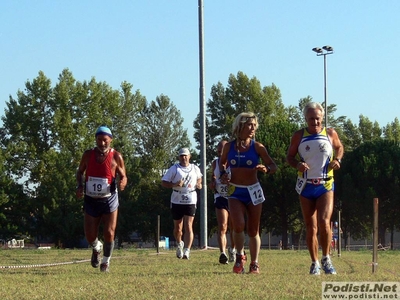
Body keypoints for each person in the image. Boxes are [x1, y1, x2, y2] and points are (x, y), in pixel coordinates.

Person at [286, 102, 344, 275]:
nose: (315, 122)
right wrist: (297, 164)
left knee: (325, 222)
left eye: (317, 118)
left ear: (322, 118)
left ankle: (326, 258)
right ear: (305, 118)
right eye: (311, 119)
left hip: (325, 184)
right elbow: (289, 156)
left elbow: (339, 147)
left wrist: (338, 160)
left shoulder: (330, 133)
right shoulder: (298, 136)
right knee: (311, 226)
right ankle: (314, 262)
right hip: (306, 185)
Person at [219, 112, 277, 274]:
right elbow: (222, 164)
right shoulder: (229, 147)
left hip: (253, 191)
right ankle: (239, 257)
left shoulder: (257, 147)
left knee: (253, 229)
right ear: (240, 126)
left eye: (254, 125)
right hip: (235, 190)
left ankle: (255, 263)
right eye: (249, 125)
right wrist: (223, 175)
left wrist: (266, 169)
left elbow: (273, 166)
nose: (253, 128)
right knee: (238, 225)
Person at [76, 125, 128, 272]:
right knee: (90, 234)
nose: (102, 143)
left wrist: (123, 181)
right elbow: (80, 172)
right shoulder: (88, 155)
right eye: (99, 140)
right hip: (91, 199)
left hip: (109, 199)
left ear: (110, 140)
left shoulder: (116, 156)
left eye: (105, 140)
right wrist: (79, 186)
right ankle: (97, 247)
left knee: (109, 232)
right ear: (96, 140)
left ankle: (106, 261)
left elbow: (123, 175)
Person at [161, 148, 202, 260]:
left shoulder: (195, 168)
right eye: (181, 156)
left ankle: (187, 251)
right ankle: (179, 243)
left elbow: (199, 178)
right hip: (177, 198)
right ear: (179, 157)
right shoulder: (174, 169)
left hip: (190, 198)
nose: (183, 158)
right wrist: (174, 184)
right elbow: (164, 182)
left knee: (188, 225)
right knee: (178, 227)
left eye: (185, 155)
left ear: (189, 156)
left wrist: (199, 184)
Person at [209, 140, 236, 264]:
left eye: (223, 151)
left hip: (233, 196)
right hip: (220, 196)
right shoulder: (215, 163)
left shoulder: (234, 162)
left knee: (234, 227)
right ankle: (222, 253)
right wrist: (213, 182)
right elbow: (213, 176)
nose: (221, 154)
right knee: (222, 226)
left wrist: (229, 181)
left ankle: (233, 250)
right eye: (219, 151)